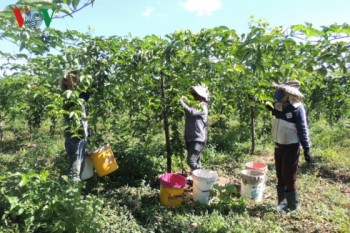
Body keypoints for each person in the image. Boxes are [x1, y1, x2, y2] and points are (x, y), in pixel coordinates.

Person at [266, 80, 313, 212]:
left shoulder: (297, 108)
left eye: (281, 91)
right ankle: (282, 203)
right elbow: (279, 118)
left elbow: (303, 129)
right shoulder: (279, 106)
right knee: (280, 175)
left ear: (288, 93)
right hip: (278, 145)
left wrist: (307, 148)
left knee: (289, 177)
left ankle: (293, 206)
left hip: (291, 147)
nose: (278, 93)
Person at [59, 70, 91, 181]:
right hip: (74, 139)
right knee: (75, 171)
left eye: (76, 76)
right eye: (72, 77)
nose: (76, 78)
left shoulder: (78, 95)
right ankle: (72, 196)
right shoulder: (68, 97)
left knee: (80, 168)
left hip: (81, 138)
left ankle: (76, 194)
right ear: (65, 82)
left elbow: (88, 91)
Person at [179, 84, 209, 173]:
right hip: (191, 138)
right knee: (196, 161)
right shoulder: (195, 105)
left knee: (191, 161)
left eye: (195, 95)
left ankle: (202, 175)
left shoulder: (202, 106)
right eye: (193, 95)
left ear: (201, 96)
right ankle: (200, 183)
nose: (194, 97)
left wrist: (182, 103)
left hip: (198, 138)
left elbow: (192, 112)